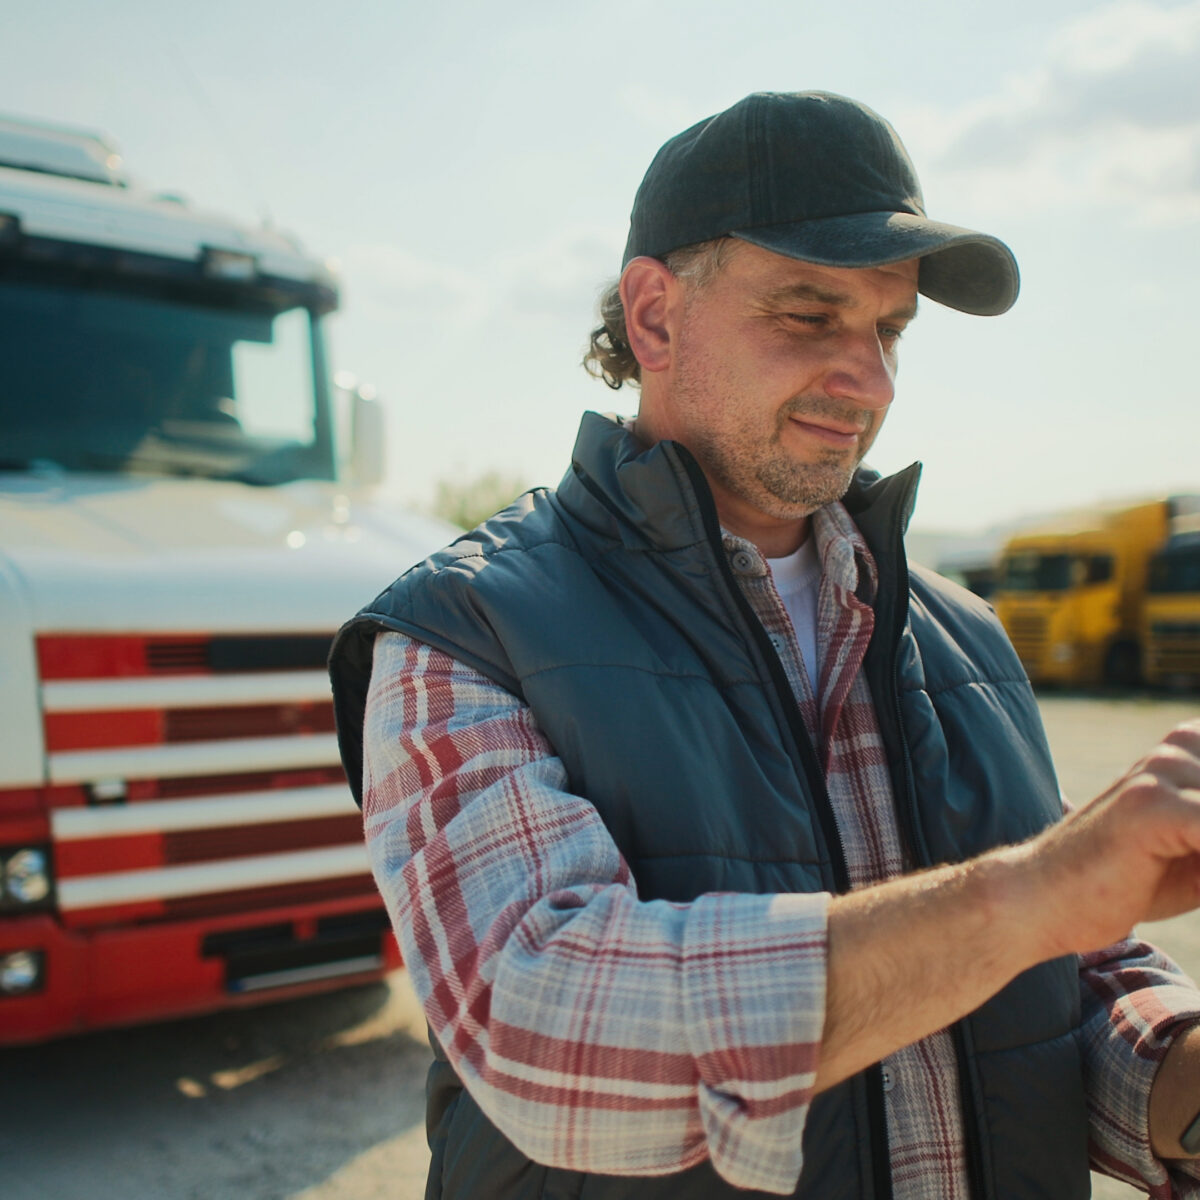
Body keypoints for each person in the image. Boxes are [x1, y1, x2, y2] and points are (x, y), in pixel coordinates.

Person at [329, 91, 1200, 1199]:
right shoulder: (465, 631)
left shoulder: (964, 634)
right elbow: (542, 1031)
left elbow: (1057, 982)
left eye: (889, 330)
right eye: (808, 315)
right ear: (652, 316)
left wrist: (1183, 1073)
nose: (873, 382)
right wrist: (1032, 891)